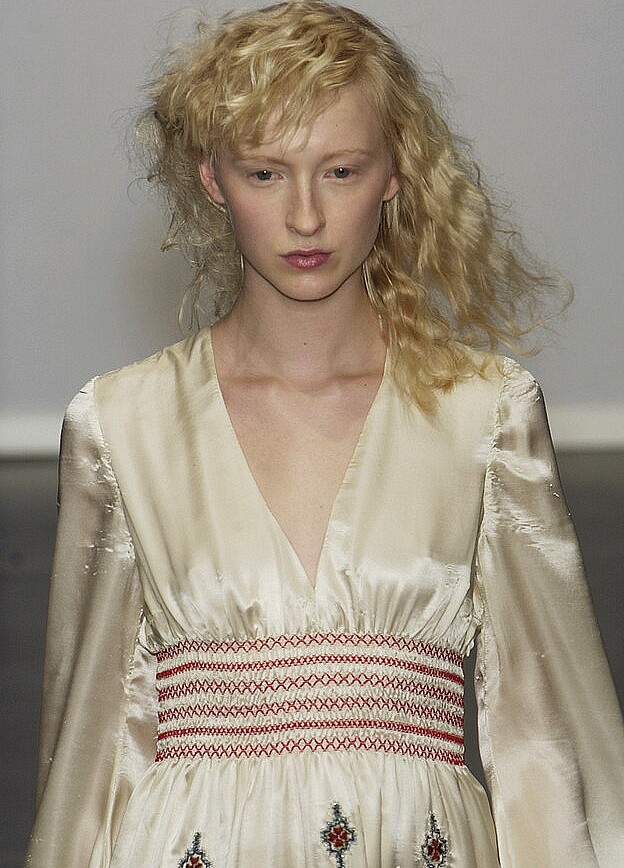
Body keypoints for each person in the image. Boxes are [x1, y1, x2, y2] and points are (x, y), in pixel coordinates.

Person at [25, 2, 624, 866]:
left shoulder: (483, 414)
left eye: (340, 171)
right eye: (265, 173)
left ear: (395, 173)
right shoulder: (123, 425)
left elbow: (549, 733)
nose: (305, 216)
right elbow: (87, 750)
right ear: (212, 178)